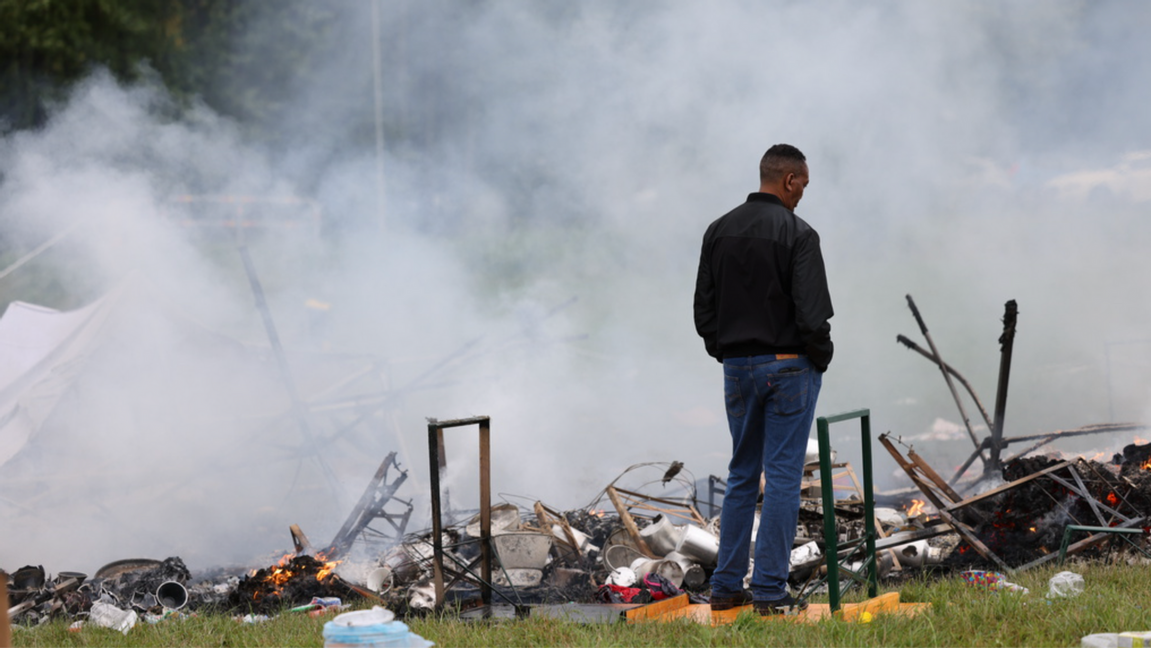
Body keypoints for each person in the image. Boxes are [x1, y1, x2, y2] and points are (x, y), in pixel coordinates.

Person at [693, 143, 833, 615]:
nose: (802, 197)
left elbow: (704, 313)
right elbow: (813, 318)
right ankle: (771, 592)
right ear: (789, 180)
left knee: (741, 476)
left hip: (737, 368)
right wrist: (819, 358)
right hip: (790, 366)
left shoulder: (717, 231)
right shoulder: (799, 234)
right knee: (784, 479)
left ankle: (726, 587)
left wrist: (729, 353)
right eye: (803, 187)